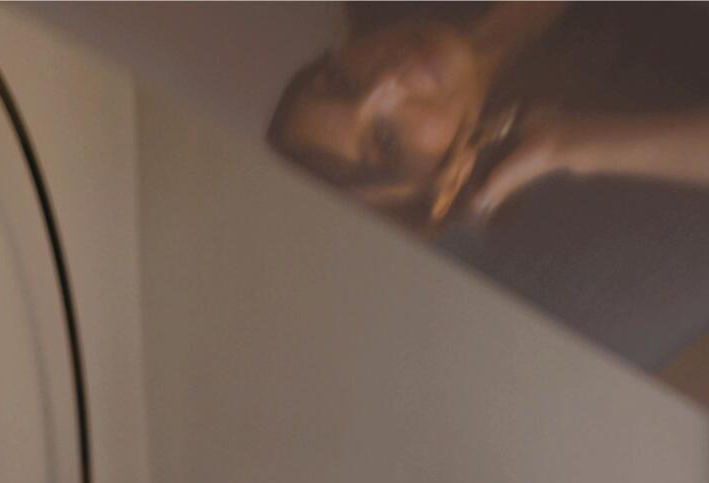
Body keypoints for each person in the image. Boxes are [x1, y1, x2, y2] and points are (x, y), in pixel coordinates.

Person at [266, 2, 709, 372]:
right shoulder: (589, 146)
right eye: (387, 141)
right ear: (446, 186)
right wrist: (572, 144)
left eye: (342, 84)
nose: (387, 83)